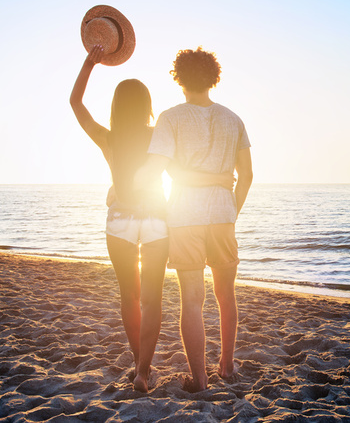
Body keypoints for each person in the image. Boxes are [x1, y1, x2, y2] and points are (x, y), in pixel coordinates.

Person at [70, 46, 233, 393]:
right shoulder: (157, 135)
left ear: (116, 107)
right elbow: (183, 174)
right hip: (158, 221)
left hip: (120, 222)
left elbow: (76, 105)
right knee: (152, 299)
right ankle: (144, 370)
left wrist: (89, 64)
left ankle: (139, 365)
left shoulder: (109, 138)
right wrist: (219, 181)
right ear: (147, 107)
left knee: (128, 297)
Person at [134, 47, 253, 392]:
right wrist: (231, 209)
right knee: (226, 295)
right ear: (213, 77)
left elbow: (155, 168)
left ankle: (200, 379)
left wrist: (128, 185)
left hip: (184, 217)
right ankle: (227, 368)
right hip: (222, 216)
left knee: (192, 300)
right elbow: (246, 176)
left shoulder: (170, 118)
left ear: (179, 78)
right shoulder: (233, 119)